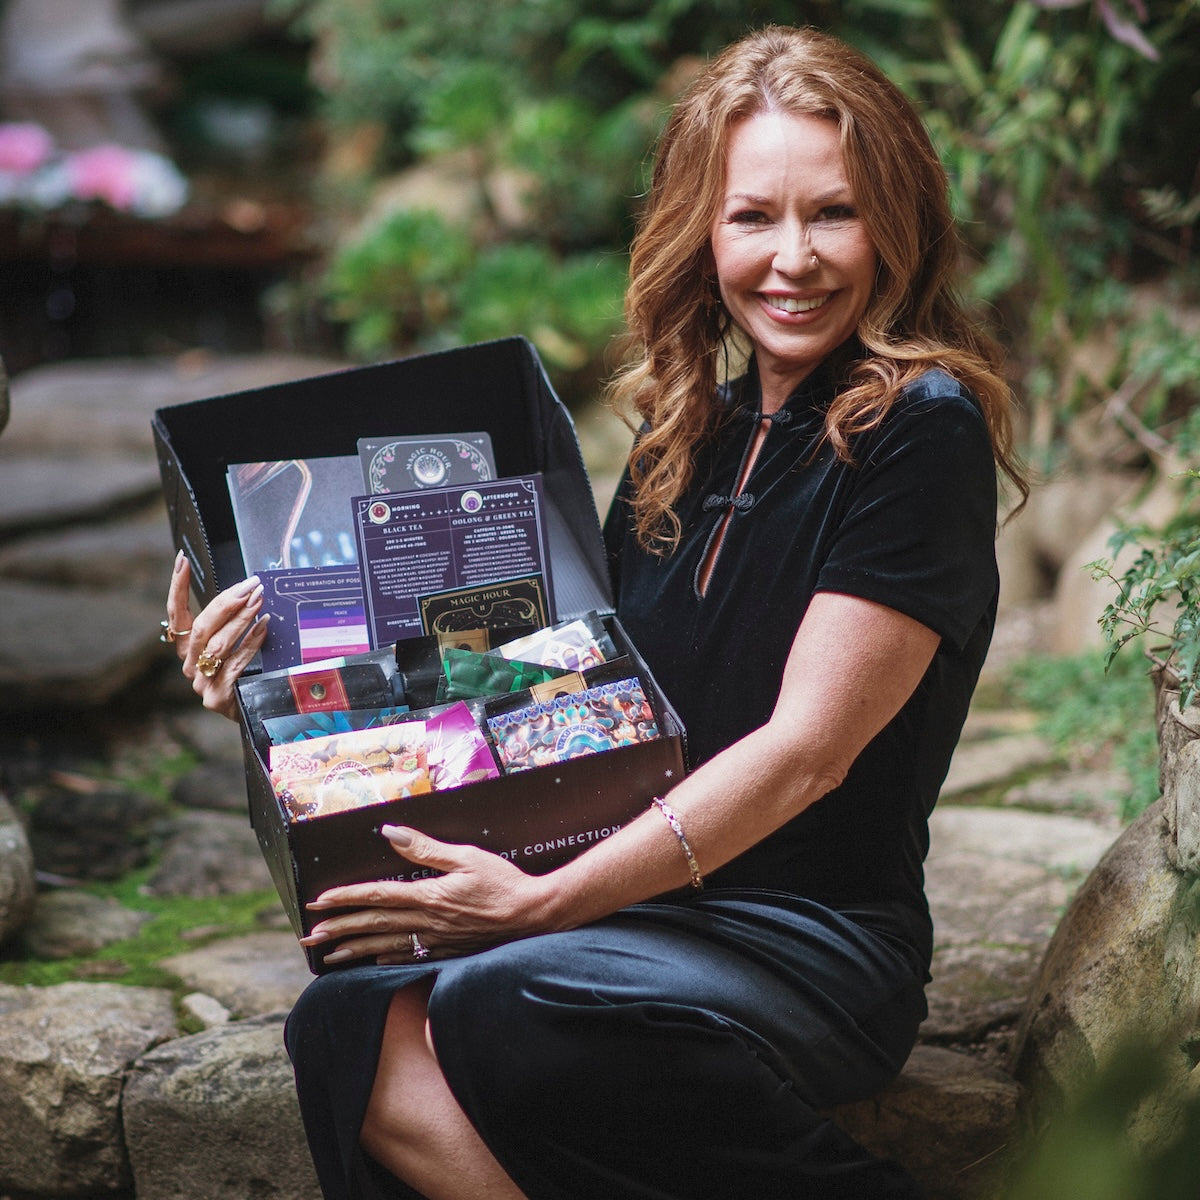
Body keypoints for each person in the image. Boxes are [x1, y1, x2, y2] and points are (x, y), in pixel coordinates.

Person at [164, 24, 1025, 1200]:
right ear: (700, 232)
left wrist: (542, 903)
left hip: (806, 936)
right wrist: (274, 676)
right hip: (639, 901)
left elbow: (806, 754)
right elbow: (545, 683)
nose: (794, 259)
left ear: (898, 224)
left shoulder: (920, 429)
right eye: (751, 218)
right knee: (344, 1019)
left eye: (833, 212)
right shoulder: (691, 433)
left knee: (501, 995)